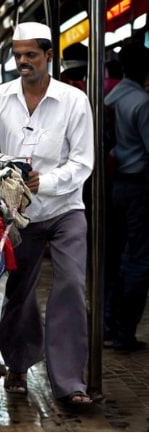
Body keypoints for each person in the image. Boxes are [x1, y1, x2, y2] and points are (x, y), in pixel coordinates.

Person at [0, 22, 95, 405]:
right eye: (18, 54)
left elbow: (83, 162)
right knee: (18, 293)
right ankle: (18, 364)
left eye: (31, 54)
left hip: (66, 209)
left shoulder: (73, 101)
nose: (23, 61)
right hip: (18, 214)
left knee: (71, 287)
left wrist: (44, 182)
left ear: (49, 56)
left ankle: (70, 383)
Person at [103, 40, 149, 352]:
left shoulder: (111, 97)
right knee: (138, 259)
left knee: (113, 256)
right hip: (137, 187)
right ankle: (124, 332)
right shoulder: (142, 102)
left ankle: (108, 325)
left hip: (114, 186)